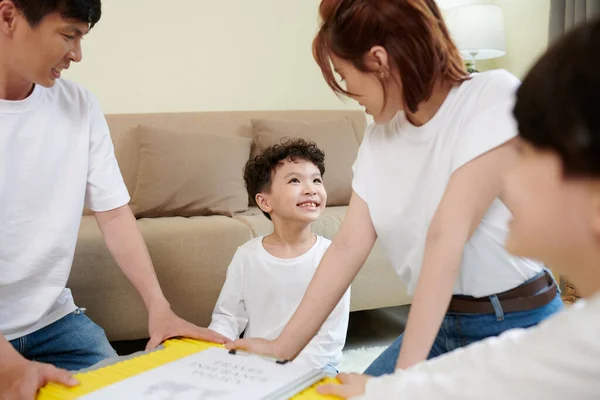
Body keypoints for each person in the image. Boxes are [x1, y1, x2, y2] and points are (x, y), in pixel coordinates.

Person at [227, 0, 562, 376]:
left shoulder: (492, 96)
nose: (348, 91)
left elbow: (445, 237)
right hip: (437, 323)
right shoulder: (379, 137)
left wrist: (403, 384)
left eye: (344, 73)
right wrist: (281, 347)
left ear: (379, 61)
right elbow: (349, 246)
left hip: (514, 323)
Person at [316, 17, 600, 399]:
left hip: (511, 311)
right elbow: (488, 370)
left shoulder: (491, 96)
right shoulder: (574, 339)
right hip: (447, 323)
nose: (505, 179)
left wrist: (397, 389)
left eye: (527, 154)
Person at [0, 1, 227, 398]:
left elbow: (115, 214)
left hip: (53, 323)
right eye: (68, 34)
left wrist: (159, 307)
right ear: (8, 17)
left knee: (137, 390)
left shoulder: (79, 106)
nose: (77, 54)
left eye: (82, 38)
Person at [208, 139, 350, 376]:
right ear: (264, 201)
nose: (311, 188)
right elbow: (228, 317)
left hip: (317, 366)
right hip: (257, 363)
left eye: (316, 180)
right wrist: (214, 349)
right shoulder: (247, 256)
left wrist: (286, 369)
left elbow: (330, 338)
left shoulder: (332, 256)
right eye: (295, 180)